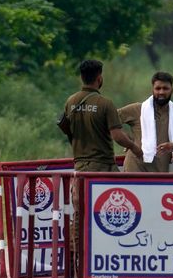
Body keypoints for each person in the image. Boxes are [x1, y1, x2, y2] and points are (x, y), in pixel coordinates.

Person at [58, 59, 142, 259]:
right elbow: (117, 135)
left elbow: (67, 130)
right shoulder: (105, 104)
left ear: (81, 77)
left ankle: (75, 259)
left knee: (79, 216)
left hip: (80, 166)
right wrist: (134, 148)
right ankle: (110, 254)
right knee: (116, 213)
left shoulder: (70, 101)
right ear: (99, 78)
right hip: (104, 168)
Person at [118, 71, 173, 172]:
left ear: (172, 90)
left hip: (161, 172)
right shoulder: (137, 109)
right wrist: (128, 142)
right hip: (135, 168)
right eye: (158, 88)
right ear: (152, 90)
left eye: (165, 88)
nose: (161, 92)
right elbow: (109, 120)